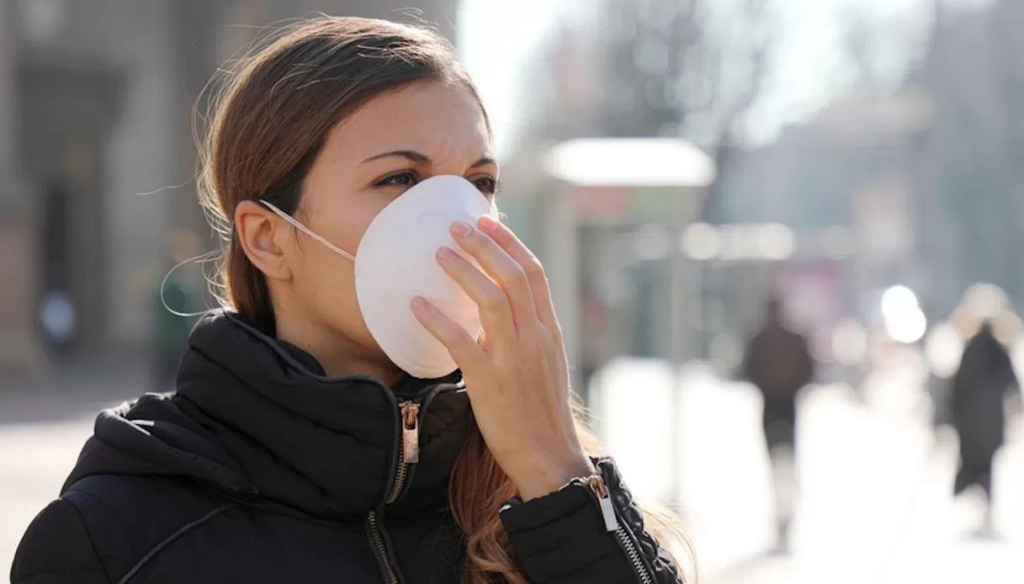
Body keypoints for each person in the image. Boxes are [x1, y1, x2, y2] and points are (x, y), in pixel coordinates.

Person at [11, 17, 686, 584]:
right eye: (399, 178)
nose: (459, 221)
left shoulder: (537, 485)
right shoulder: (114, 537)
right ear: (269, 239)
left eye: (479, 182)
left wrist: (557, 478)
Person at [741, 296, 815, 553]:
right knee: (788, 459)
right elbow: (810, 370)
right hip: (787, 403)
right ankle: (786, 510)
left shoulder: (760, 338)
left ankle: (782, 509)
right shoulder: (792, 338)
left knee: (776, 461)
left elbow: (746, 369)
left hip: (772, 404)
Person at [950, 320, 1020, 537]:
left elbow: (956, 388)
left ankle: (980, 516)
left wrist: (952, 418)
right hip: (991, 425)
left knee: (974, 468)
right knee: (987, 471)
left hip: (971, 426)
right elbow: (1013, 384)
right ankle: (985, 516)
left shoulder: (970, 350)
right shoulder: (999, 351)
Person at [151, 228, 203, 392]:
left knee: (168, 379)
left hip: (171, 338)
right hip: (176, 339)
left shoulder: (170, 279)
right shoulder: (175, 283)